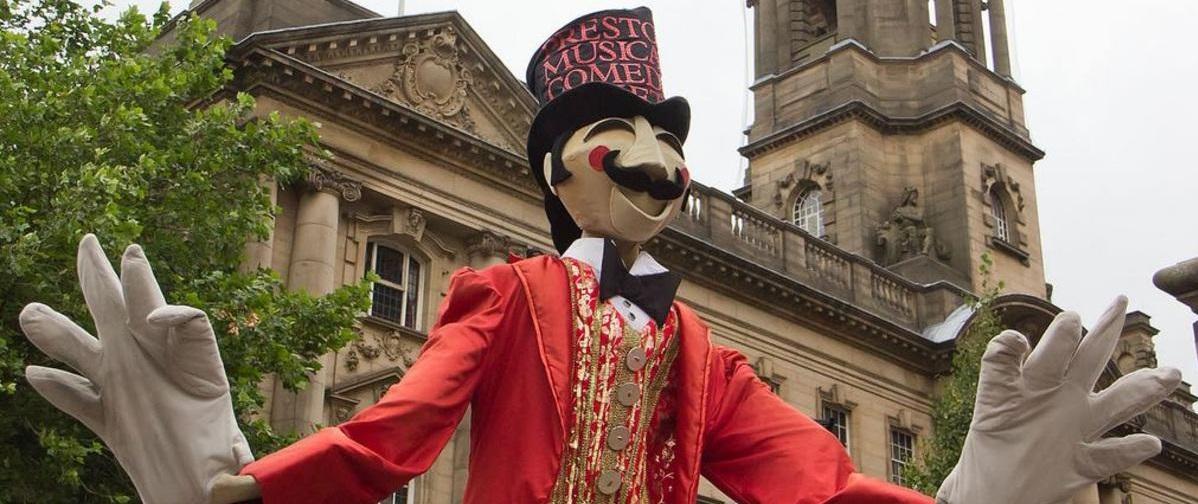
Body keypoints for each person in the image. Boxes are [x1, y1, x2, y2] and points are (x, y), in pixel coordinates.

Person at [20, 8, 1181, 504]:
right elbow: (397, 433)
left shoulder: (693, 343)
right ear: (558, 168)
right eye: (621, 137)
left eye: (671, 143)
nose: (660, 163)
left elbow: (810, 481)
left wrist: (975, 492)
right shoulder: (503, 290)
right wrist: (236, 483)